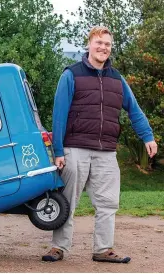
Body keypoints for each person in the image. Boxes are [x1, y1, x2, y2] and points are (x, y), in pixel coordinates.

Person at [42, 26, 158, 263]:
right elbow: (59, 114)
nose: (103, 47)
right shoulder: (71, 75)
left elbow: (134, 110)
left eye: (107, 44)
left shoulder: (118, 79)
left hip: (106, 151)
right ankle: (59, 248)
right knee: (67, 201)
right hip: (75, 147)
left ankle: (103, 249)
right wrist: (59, 151)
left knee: (108, 202)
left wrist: (147, 136)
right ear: (89, 44)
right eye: (99, 43)